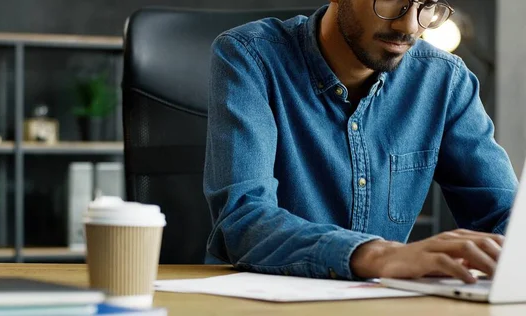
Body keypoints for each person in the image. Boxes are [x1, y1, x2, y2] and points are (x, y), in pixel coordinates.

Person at [203, 0, 518, 284]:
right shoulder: (249, 55)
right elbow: (244, 220)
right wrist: (380, 255)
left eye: (427, 5)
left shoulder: (444, 80)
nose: (408, 26)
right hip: (255, 301)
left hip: (377, 303)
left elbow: (507, 217)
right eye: (391, 1)